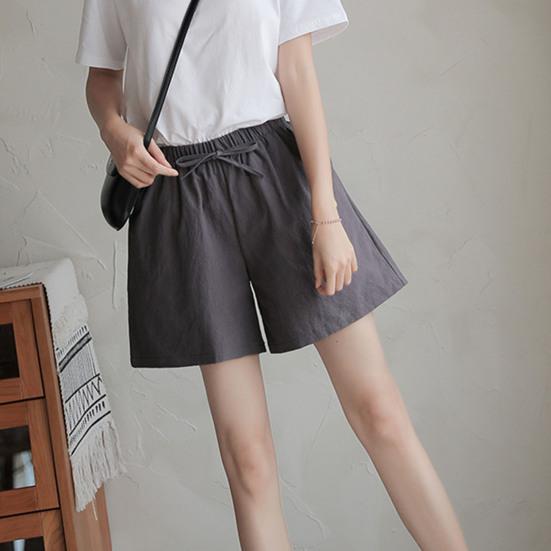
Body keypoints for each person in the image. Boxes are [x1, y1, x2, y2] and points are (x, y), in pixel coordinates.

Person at [74, 0, 469, 549]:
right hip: (181, 194)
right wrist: (116, 133)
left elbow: (298, 73)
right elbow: (102, 78)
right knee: (248, 458)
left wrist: (325, 215)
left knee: (378, 411)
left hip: (278, 179)